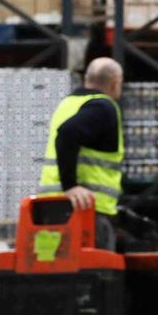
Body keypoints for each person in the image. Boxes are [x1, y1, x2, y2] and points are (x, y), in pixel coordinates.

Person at [39, 57, 124, 251]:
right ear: (115, 83)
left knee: (56, 265)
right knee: (93, 268)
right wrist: (70, 185)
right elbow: (67, 133)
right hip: (85, 210)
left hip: (51, 206)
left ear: (87, 79)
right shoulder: (103, 107)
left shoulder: (67, 104)